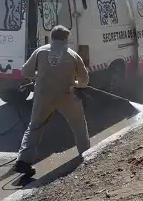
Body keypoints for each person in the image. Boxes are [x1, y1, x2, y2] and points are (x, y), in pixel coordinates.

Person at [12, 25, 90, 177]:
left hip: (43, 96)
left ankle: (23, 161)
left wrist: (36, 77)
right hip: (67, 95)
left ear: (52, 37)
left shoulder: (40, 51)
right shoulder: (73, 55)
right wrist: (77, 85)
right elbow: (84, 79)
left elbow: (25, 71)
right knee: (78, 124)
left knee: (35, 127)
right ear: (66, 39)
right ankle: (87, 154)